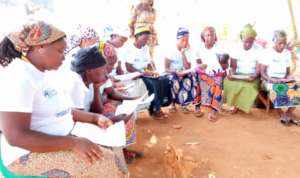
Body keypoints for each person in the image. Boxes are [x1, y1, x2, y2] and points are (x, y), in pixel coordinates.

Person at [0, 21, 125, 178]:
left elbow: (61, 111)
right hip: (26, 154)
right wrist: (72, 143)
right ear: (40, 47)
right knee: (108, 167)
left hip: (61, 139)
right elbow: (16, 136)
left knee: (111, 152)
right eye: (60, 51)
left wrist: (95, 118)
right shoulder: (18, 76)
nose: (64, 57)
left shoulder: (42, 74)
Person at [124, 25, 169, 119]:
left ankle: (159, 106)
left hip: (145, 73)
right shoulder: (130, 49)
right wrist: (143, 73)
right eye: (144, 39)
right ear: (137, 36)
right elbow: (128, 67)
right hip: (135, 74)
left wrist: (154, 71)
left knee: (163, 79)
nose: (146, 41)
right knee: (153, 83)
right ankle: (154, 110)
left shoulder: (145, 48)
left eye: (147, 39)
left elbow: (149, 62)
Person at [260, 30, 300, 126]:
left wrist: (290, 78)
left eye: (284, 43)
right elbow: (263, 74)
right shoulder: (267, 53)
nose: (282, 46)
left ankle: (288, 113)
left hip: (283, 79)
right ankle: (281, 114)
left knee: (297, 88)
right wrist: (273, 80)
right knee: (278, 88)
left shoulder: (287, 53)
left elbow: (287, 73)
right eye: (280, 43)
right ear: (274, 41)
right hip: (269, 80)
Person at [223, 24, 261, 114]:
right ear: (242, 39)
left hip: (252, 75)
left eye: (251, 42)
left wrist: (255, 75)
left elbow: (258, 68)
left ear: (254, 40)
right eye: (246, 41)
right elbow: (233, 67)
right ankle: (234, 105)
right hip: (238, 74)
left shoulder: (259, 50)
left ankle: (241, 106)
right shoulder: (236, 48)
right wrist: (231, 73)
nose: (248, 44)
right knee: (228, 82)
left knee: (249, 86)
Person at [194, 26, 227, 121]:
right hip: (204, 73)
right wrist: (201, 66)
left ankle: (214, 110)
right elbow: (198, 63)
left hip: (217, 74)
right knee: (197, 77)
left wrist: (223, 64)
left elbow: (225, 66)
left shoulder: (220, 49)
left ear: (215, 37)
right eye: (207, 35)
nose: (210, 37)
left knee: (218, 82)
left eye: (212, 35)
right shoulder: (199, 49)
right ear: (203, 37)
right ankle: (197, 106)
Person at [165, 27, 198, 114]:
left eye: (187, 40)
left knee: (191, 77)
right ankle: (172, 104)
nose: (185, 42)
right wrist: (175, 72)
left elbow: (187, 67)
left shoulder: (189, 50)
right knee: (173, 79)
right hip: (172, 73)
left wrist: (183, 54)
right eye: (183, 40)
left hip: (183, 73)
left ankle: (184, 104)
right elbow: (166, 68)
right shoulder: (170, 50)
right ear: (178, 39)